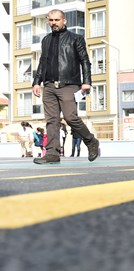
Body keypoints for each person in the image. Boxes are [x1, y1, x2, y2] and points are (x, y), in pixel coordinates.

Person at [31, 9, 100, 164]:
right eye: (51, 20)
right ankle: (52, 154)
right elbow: (43, 62)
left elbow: (85, 61)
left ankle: (91, 141)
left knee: (70, 117)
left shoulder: (76, 38)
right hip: (49, 86)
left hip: (69, 84)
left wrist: (87, 82)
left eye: (57, 20)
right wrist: (37, 82)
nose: (53, 23)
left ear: (64, 21)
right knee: (51, 120)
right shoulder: (46, 40)